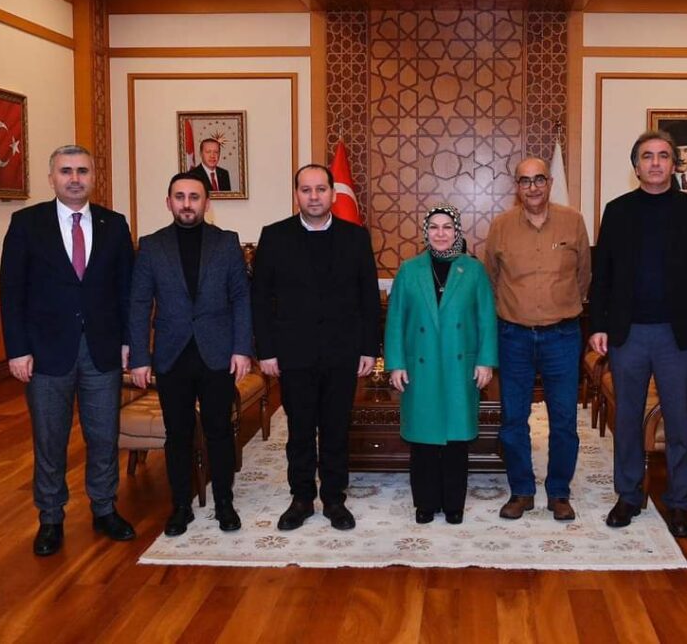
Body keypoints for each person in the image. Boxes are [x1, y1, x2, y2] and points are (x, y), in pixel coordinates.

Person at [0, 144, 135, 556]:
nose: (75, 179)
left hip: (102, 350)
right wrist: (17, 349)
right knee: (50, 438)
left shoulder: (114, 224)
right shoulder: (27, 224)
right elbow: (11, 292)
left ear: (94, 177)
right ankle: (51, 517)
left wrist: (128, 341)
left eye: (82, 171)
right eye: (66, 171)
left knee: (103, 435)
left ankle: (104, 508)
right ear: (51, 178)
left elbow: (127, 291)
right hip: (45, 353)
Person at [588, 129, 687, 538]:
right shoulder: (617, 211)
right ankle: (629, 496)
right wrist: (597, 325)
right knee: (628, 418)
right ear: (636, 166)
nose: (655, 163)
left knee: (679, 421)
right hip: (628, 333)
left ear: (674, 165)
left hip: (679, 336)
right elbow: (602, 274)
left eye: (663, 156)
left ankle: (679, 502)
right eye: (647, 156)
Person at [251, 163, 381, 531]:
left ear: (333, 194)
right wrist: (266, 351)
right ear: (297, 195)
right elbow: (260, 299)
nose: (313, 197)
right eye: (306, 190)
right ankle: (302, 498)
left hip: (343, 352)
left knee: (336, 430)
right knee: (300, 431)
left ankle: (335, 499)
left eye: (320, 189)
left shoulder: (356, 237)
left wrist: (369, 348)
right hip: (294, 353)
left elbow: (368, 298)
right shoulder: (274, 236)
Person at [128, 171, 253, 537]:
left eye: (194, 197)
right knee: (178, 434)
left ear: (206, 203)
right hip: (172, 354)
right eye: (179, 197)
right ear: (169, 202)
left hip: (217, 353)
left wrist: (242, 348)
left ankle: (224, 502)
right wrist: (139, 357)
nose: (187, 203)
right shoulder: (151, 246)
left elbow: (241, 298)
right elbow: (139, 303)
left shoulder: (226, 243)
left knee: (219, 430)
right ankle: (181, 505)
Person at [484, 157, 591, 522]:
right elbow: (491, 279)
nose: (532, 187)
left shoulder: (573, 221)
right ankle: (522, 491)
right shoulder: (500, 226)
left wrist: (561, 306)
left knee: (563, 418)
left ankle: (559, 492)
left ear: (549, 183)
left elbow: (583, 275)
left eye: (539, 179)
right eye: (525, 181)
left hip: (562, 335)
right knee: (514, 418)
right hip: (513, 336)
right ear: (516, 186)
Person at [385, 205, 497, 524]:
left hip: (460, 366)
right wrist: (396, 364)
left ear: (457, 231)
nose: (440, 233)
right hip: (420, 367)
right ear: (426, 232)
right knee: (423, 439)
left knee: (456, 440)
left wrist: (486, 361)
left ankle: (453, 504)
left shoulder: (473, 270)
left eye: (447, 227)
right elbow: (395, 320)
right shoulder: (409, 270)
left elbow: (486, 318)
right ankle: (425, 502)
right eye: (434, 227)